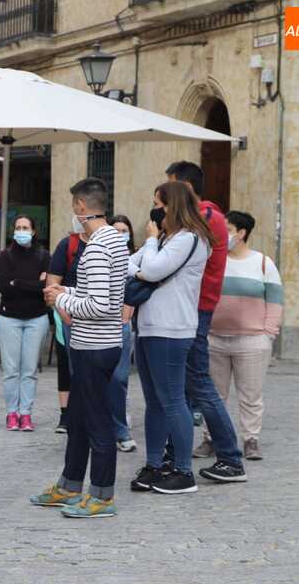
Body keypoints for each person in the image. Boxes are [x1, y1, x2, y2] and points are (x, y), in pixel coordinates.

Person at [34, 179, 128, 519]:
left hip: (95, 344)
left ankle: (102, 495)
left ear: (80, 207)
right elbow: (103, 291)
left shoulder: (100, 246)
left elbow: (102, 304)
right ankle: (70, 484)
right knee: (77, 418)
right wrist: (71, 291)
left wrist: (62, 296)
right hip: (94, 342)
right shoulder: (113, 240)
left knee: (97, 421)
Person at [128, 182, 217, 495]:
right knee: (154, 403)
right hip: (149, 326)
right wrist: (148, 255)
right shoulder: (167, 238)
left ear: (173, 205)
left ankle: (183, 471)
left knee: (173, 400)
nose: (155, 212)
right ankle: (155, 464)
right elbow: (132, 264)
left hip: (172, 328)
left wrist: (150, 247)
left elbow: (150, 270)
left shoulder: (190, 239)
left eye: (159, 205)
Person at [164, 161, 246, 483]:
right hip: (191, 307)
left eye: (170, 188)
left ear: (184, 188)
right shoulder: (204, 217)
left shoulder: (206, 218)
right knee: (185, 385)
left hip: (195, 308)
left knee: (199, 383)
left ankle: (230, 457)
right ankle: (179, 450)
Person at [202, 210, 283, 462]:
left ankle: (251, 439)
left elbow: (275, 301)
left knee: (250, 394)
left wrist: (268, 334)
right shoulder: (213, 260)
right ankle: (210, 438)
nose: (220, 233)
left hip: (252, 341)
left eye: (226, 228)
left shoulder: (263, 263)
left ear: (241, 232)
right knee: (214, 394)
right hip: (214, 338)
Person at [0, 214, 51, 432]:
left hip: (37, 318)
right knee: (11, 370)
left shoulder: (44, 256)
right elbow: (2, 287)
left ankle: (26, 414)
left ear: (34, 231)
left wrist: (17, 282)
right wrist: (31, 283)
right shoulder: (5, 256)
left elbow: (46, 286)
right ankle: (12, 413)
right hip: (9, 318)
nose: (21, 231)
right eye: (18, 227)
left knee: (29, 370)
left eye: (25, 227)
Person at [47, 228, 88, 434]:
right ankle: (68, 415)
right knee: (68, 366)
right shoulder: (67, 245)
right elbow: (52, 284)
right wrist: (64, 314)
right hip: (67, 315)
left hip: (94, 320)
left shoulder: (106, 244)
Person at [108, 214, 138, 452]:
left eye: (124, 231)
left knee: (119, 379)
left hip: (122, 325)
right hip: (98, 325)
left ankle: (120, 429)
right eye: (115, 230)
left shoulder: (135, 259)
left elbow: (135, 288)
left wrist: (126, 316)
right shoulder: (102, 254)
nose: (120, 234)